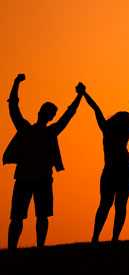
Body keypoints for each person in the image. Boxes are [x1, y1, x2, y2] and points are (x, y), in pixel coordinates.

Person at [3, 73, 84, 249]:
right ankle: (32, 247)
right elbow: (67, 116)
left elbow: (13, 108)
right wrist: (79, 96)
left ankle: (19, 248)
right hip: (33, 178)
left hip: (35, 178)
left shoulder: (31, 130)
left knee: (28, 216)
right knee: (28, 216)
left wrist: (16, 83)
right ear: (50, 116)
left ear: (42, 113)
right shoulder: (42, 131)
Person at [84, 77, 129, 243]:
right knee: (116, 204)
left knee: (108, 204)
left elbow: (96, 109)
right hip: (122, 169)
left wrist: (84, 94)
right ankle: (108, 237)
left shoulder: (107, 129)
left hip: (119, 169)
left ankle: (100, 237)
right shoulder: (116, 129)